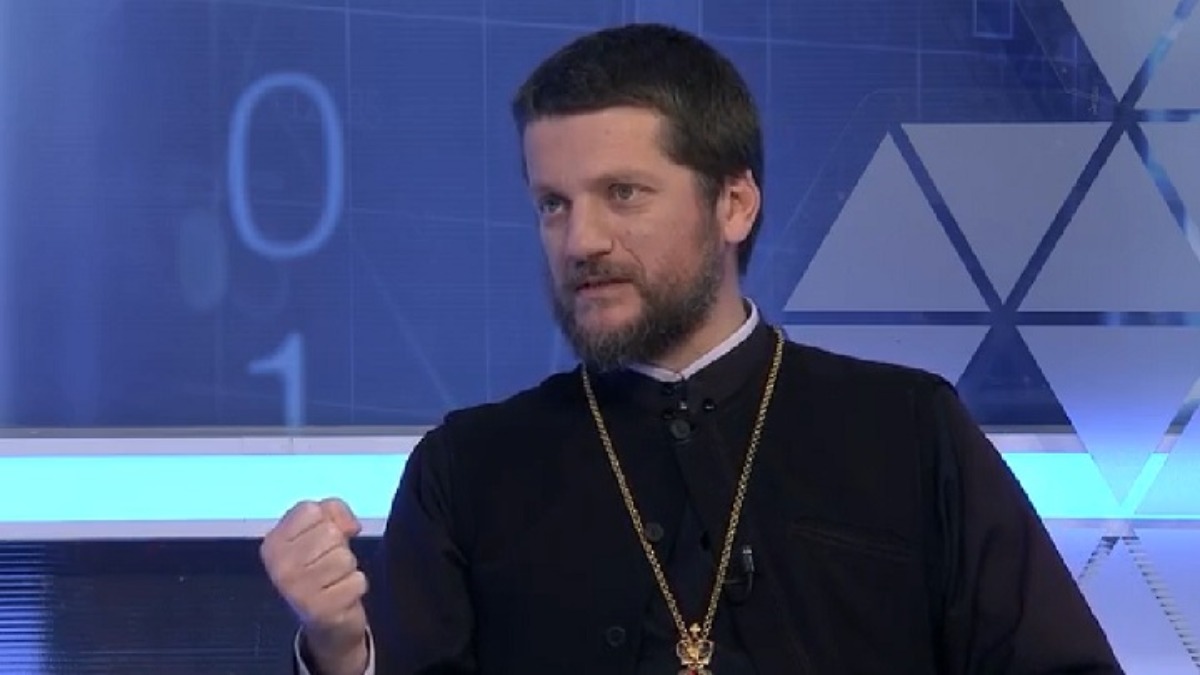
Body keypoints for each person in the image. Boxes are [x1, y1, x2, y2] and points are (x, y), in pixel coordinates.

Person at [260, 22, 1123, 675]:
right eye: (553, 203)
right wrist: (339, 650)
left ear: (734, 204)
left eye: (623, 193)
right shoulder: (467, 469)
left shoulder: (907, 428)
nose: (580, 239)